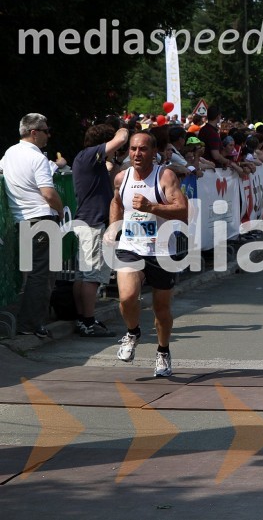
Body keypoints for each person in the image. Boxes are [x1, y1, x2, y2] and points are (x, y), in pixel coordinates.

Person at [106, 131, 188, 377]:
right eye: (132, 149)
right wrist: (113, 228)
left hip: (162, 251)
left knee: (161, 310)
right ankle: (132, 333)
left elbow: (183, 210)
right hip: (130, 247)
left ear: (154, 152)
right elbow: (117, 203)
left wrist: (151, 207)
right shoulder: (122, 177)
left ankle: (163, 351)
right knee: (127, 297)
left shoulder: (165, 176)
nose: (137, 154)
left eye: (143, 149)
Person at [0, 114, 63, 338]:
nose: (49, 134)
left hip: (22, 220)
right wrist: (60, 208)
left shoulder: (9, 153)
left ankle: (27, 321)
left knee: (29, 275)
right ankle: (30, 324)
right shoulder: (36, 158)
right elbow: (47, 193)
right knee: (41, 275)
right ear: (34, 132)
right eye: (46, 130)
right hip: (41, 220)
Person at [72, 123, 130, 337]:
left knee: (83, 275)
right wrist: (122, 129)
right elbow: (122, 138)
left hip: (88, 221)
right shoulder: (89, 155)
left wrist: (114, 161)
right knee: (92, 276)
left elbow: (111, 176)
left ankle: (83, 319)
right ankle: (87, 321)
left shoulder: (88, 160)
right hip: (94, 223)